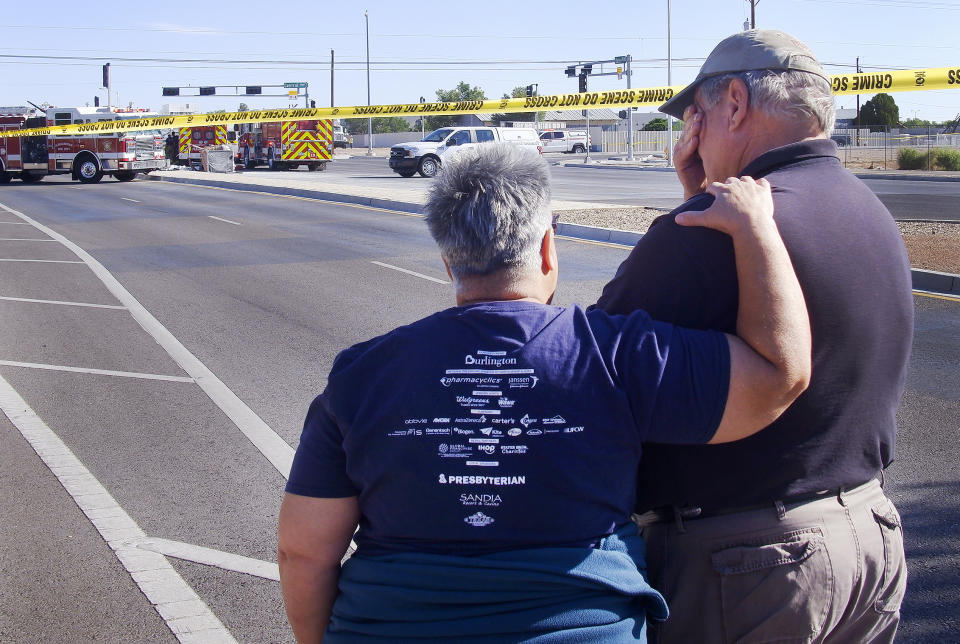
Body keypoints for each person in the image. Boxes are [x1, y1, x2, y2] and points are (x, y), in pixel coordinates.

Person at [278, 142, 811, 642]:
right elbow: (777, 375)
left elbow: (303, 552)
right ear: (548, 248)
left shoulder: (360, 373)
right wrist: (755, 229)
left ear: (449, 262)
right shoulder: (616, 353)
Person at [595, 29, 913, 643]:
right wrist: (696, 197)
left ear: (735, 104)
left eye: (697, 115)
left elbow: (597, 367)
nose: (691, 135)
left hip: (748, 569)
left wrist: (685, 217)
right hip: (870, 542)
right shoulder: (871, 214)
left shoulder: (710, 230)